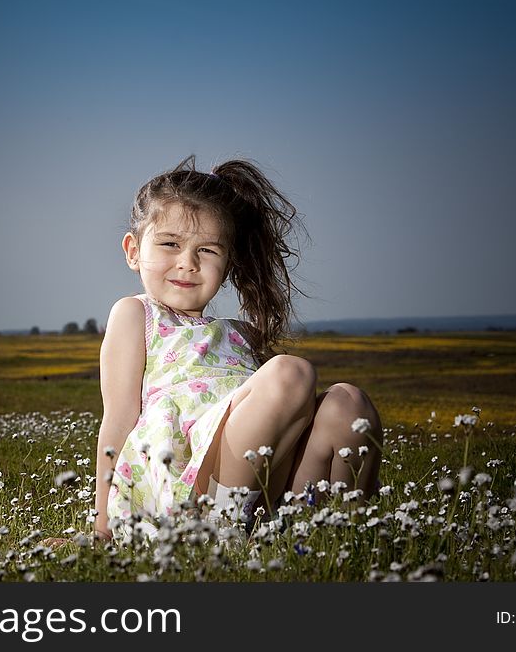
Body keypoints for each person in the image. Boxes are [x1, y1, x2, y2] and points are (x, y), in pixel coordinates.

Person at [93, 155, 383, 544]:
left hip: (262, 489)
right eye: (169, 244)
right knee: (291, 373)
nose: (188, 263)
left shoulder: (240, 333)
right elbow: (118, 418)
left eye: (208, 251)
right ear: (132, 250)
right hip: (184, 490)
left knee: (349, 401)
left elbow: (282, 426)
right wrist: (101, 529)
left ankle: (337, 532)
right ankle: (219, 531)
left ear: (227, 264)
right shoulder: (136, 313)